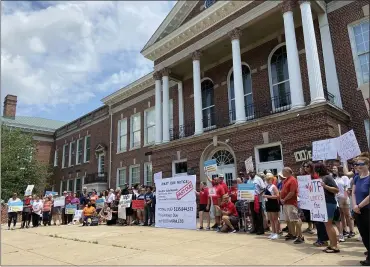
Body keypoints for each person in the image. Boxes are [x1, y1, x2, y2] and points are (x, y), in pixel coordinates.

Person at [315, 162, 340, 253]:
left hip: (329, 203)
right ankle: (331, 244)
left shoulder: (327, 177)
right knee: (327, 225)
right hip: (323, 203)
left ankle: (335, 246)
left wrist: (325, 186)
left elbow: (336, 190)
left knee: (329, 225)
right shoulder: (320, 178)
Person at [352, 156, 370, 266]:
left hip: (367, 209)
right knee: (363, 234)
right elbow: (353, 193)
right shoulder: (356, 178)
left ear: (367, 165)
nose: (357, 166)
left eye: (360, 164)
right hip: (357, 210)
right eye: (356, 164)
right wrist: (354, 206)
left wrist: (359, 206)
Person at [280, 167, 304, 244]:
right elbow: (284, 190)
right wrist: (281, 198)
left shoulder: (293, 180)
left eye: (283, 171)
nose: (282, 173)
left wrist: (284, 199)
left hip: (291, 203)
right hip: (286, 203)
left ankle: (300, 236)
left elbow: (292, 192)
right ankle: (292, 234)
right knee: (288, 220)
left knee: (295, 219)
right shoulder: (286, 180)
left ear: (287, 172)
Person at [333, 165, 355, 240]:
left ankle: (352, 230)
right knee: (341, 215)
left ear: (338, 169)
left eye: (335, 168)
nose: (333, 169)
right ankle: (345, 230)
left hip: (344, 198)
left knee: (347, 214)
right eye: (332, 168)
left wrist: (345, 197)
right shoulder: (334, 178)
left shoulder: (344, 178)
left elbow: (347, 188)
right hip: (337, 199)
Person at [247, 170, 265, 235]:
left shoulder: (258, 179)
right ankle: (255, 228)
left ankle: (261, 230)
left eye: (252, 172)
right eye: (249, 173)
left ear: (254, 173)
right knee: (253, 215)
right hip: (251, 200)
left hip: (258, 200)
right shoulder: (248, 181)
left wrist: (258, 194)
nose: (251, 174)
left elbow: (263, 188)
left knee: (259, 215)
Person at [263, 173, 280, 240]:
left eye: (269, 179)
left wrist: (267, 196)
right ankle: (273, 232)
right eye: (267, 179)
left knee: (275, 219)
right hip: (268, 203)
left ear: (272, 179)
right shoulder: (267, 186)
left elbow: (277, 196)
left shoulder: (273, 186)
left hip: (273, 203)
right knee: (271, 219)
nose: (267, 181)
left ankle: (277, 233)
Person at [301, 162, 316, 235]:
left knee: (313, 212)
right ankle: (309, 227)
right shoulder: (304, 176)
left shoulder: (314, 175)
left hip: (313, 197)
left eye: (307, 166)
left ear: (311, 167)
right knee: (307, 213)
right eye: (304, 166)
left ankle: (315, 227)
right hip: (305, 198)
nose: (305, 168)